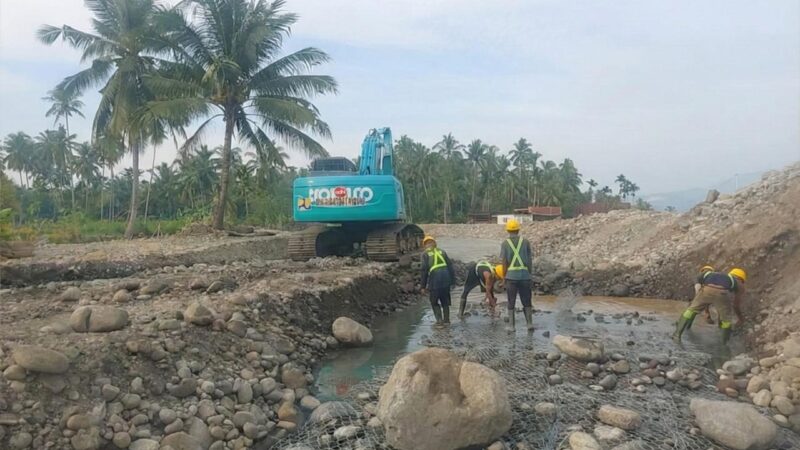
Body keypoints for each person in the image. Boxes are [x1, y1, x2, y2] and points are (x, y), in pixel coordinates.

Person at [673, 268, 747, 343]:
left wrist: (698, 295)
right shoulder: (738, 283)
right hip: (722, 294)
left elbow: (698, 279)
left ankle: (677, 335)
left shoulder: (712, 274)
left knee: (691, 310)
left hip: (706, 290)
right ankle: (724, 344)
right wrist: (741, 318)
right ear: (741, 279)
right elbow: (736, 305)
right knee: (726, 320)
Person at [500, 219, 534, 332]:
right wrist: (529, 273)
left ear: (508, 230)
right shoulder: (526, 242)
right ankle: (529, 324)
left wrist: (504, 277)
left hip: (511, 277)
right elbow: (529, 260)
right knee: (527, 300)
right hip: (525, 276)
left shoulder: (505, 244)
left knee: (511, 300)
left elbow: (504, 262)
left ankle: (512, 326)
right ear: (518, 230)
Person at [420, 235, 456, 327]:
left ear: (425, 245)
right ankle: (447, 321)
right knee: (445, 300)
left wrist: (423, 286)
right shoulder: (442, 251)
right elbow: (450, 267)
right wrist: (453, 281)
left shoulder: (425, 254)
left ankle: (439, 321)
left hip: (435, 279)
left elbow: (424, 270)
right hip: (446, 279)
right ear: (434, 243)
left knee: (434, 301)